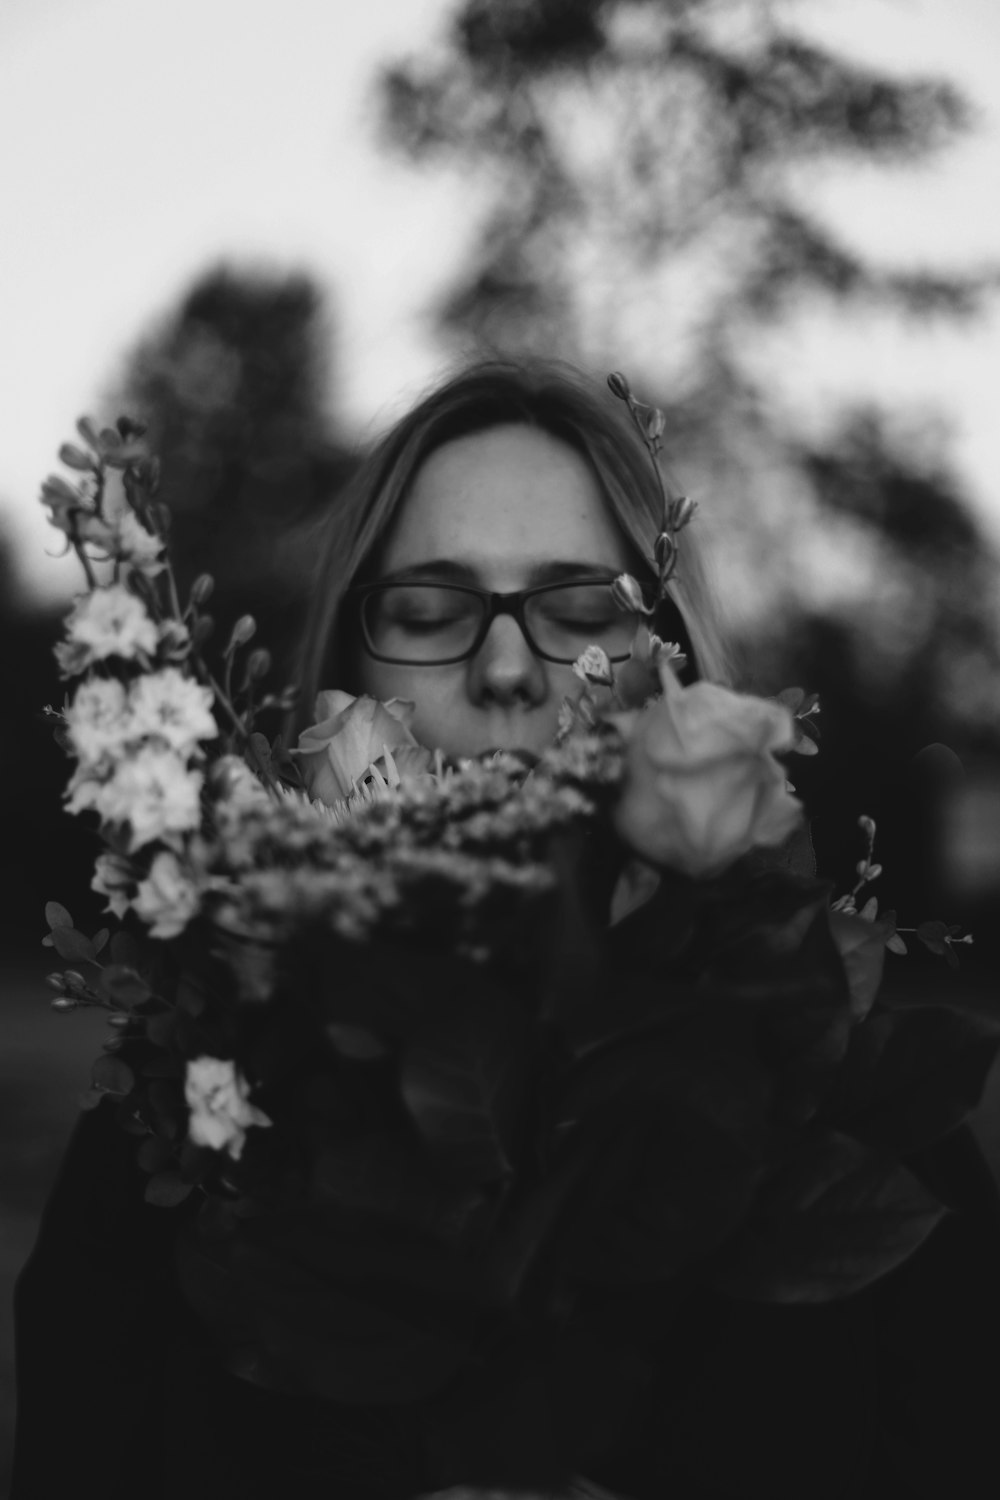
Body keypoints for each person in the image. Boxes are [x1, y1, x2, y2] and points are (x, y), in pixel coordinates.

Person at [12, 358, 1000, 1500]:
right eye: (429, 611)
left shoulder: (860, 1110)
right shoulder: (186, 1111)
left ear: (671, 667)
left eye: (581, 610)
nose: (504, 668)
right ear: (343, 665)